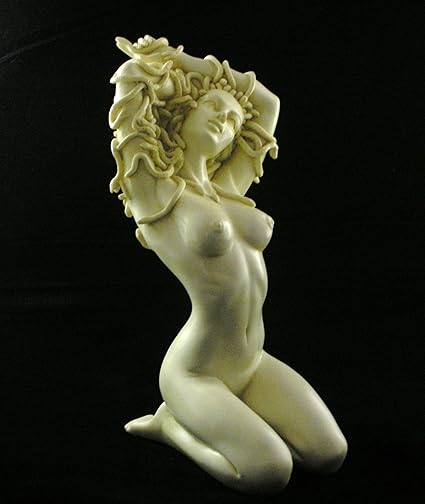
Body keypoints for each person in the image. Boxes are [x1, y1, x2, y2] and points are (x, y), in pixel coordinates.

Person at [109, 35, 347, 495]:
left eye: (235, 120)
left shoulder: (230, 187)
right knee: (269, 473)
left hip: (252, 361)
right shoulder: (158, 195)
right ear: (183, 115)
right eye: (214, 108)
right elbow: (131, 80)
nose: (228, 119)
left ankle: (226, 415)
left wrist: (189, 66)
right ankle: (171, 426)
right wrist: (168, 64)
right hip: (194, 370)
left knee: (330, 454)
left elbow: (267, 104)